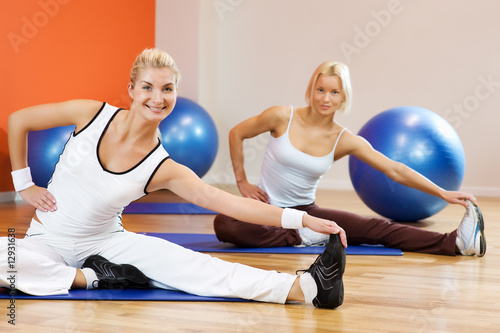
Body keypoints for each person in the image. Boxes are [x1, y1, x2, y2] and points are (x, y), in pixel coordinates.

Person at [0, 49, 347, 309]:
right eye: (148, 87)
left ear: (175, 94)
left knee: (192, 265)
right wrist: (23, 184)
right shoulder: (90, 114)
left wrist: (303, 218)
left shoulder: (163, 166)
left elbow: (230, 204)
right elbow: (18, 120)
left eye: (167, 89)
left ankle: (304, 287)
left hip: (107, 245)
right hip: (45, 241)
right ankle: (90, 277)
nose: (157, 98)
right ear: (132, 89)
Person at [213, 61, 486, 257]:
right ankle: (301, 235)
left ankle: (456, 243)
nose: (325, 98)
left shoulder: (344, 139)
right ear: (311, 89)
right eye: (321, 90)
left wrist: (442, 192)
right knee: (225, 223)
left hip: (307, 211)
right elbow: (237, 133)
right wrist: (242, 181)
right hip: (267, 209)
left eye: (334, 92)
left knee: (377, 229)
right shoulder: (282, 116)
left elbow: (395, 169)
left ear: (343, 97)